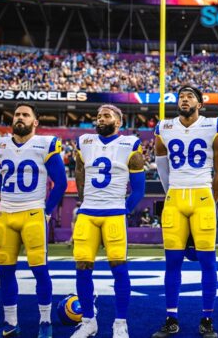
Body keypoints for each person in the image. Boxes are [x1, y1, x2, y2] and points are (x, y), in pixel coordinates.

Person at [152, 85, 218, 338]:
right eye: (181, 97)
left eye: (190, 97)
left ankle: (207, 318)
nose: (184, 100)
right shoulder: (164, 127)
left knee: (208, 262)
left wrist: (211, 199)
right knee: (172, 263)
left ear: (200, 104)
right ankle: (171, 317)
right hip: (175, 195)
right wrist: (171, 192)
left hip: (202, 195)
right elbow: (162, 167)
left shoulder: (214, 125)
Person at [0, 102, 67, 338]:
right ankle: (10, 323)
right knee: (5, 271)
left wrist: (47, 211)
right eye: (17, 114)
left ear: (35, 121)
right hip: (5, 214)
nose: (20, 118)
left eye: (25, 115)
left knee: (40, 270)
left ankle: (44, 321)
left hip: (33, 213)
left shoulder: (45, 143)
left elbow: (60, 183)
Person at [70, 104, 146, 338]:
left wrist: (123, 209)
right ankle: (88, 321)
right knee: (82, 269)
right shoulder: (85, 141)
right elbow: (80, 175)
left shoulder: (130, 144)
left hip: (113, 213)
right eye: (98, 116)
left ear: (118, 121)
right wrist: (84, 202)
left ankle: (120, 323)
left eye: (106, 115)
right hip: (88, 214)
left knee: (119, 269)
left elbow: (139, 190)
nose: (100, 119)